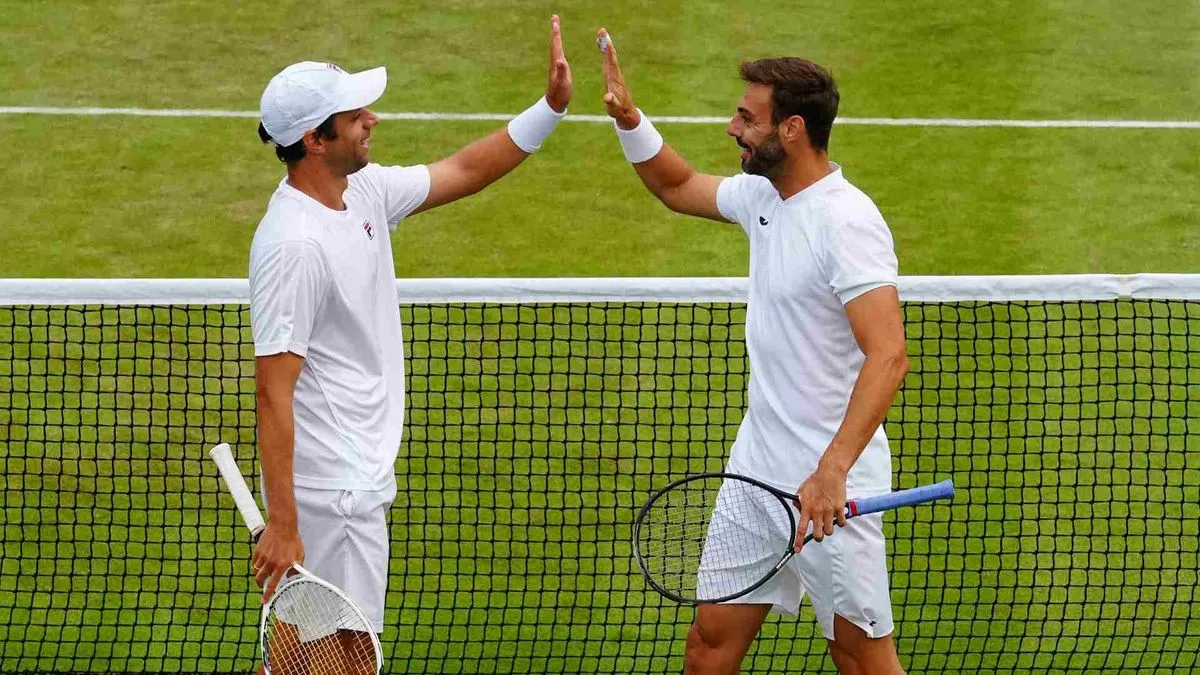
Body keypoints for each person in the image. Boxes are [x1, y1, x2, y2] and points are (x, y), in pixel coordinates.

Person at [246, 15, 573, 673]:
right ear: (315, 139)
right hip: (335, 491)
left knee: (295, 655)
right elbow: (272, 392)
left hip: (344, 479)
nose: (372, 118)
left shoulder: (358, 189)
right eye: (353, 113)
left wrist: (550, 109)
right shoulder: (295, 246)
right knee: (351, 660)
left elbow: (461, 169)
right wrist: (284, 523)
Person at [596, 29, 910, 675]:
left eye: (747, 117)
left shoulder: (846, 222)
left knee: (860, 658)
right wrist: (631, 119)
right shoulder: (765, 197)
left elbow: (888, 356)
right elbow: (677, 186)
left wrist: (831, 470)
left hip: (830, 489)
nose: (731, 126)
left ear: (792, 128)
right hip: (754, 476)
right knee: (708, 648)